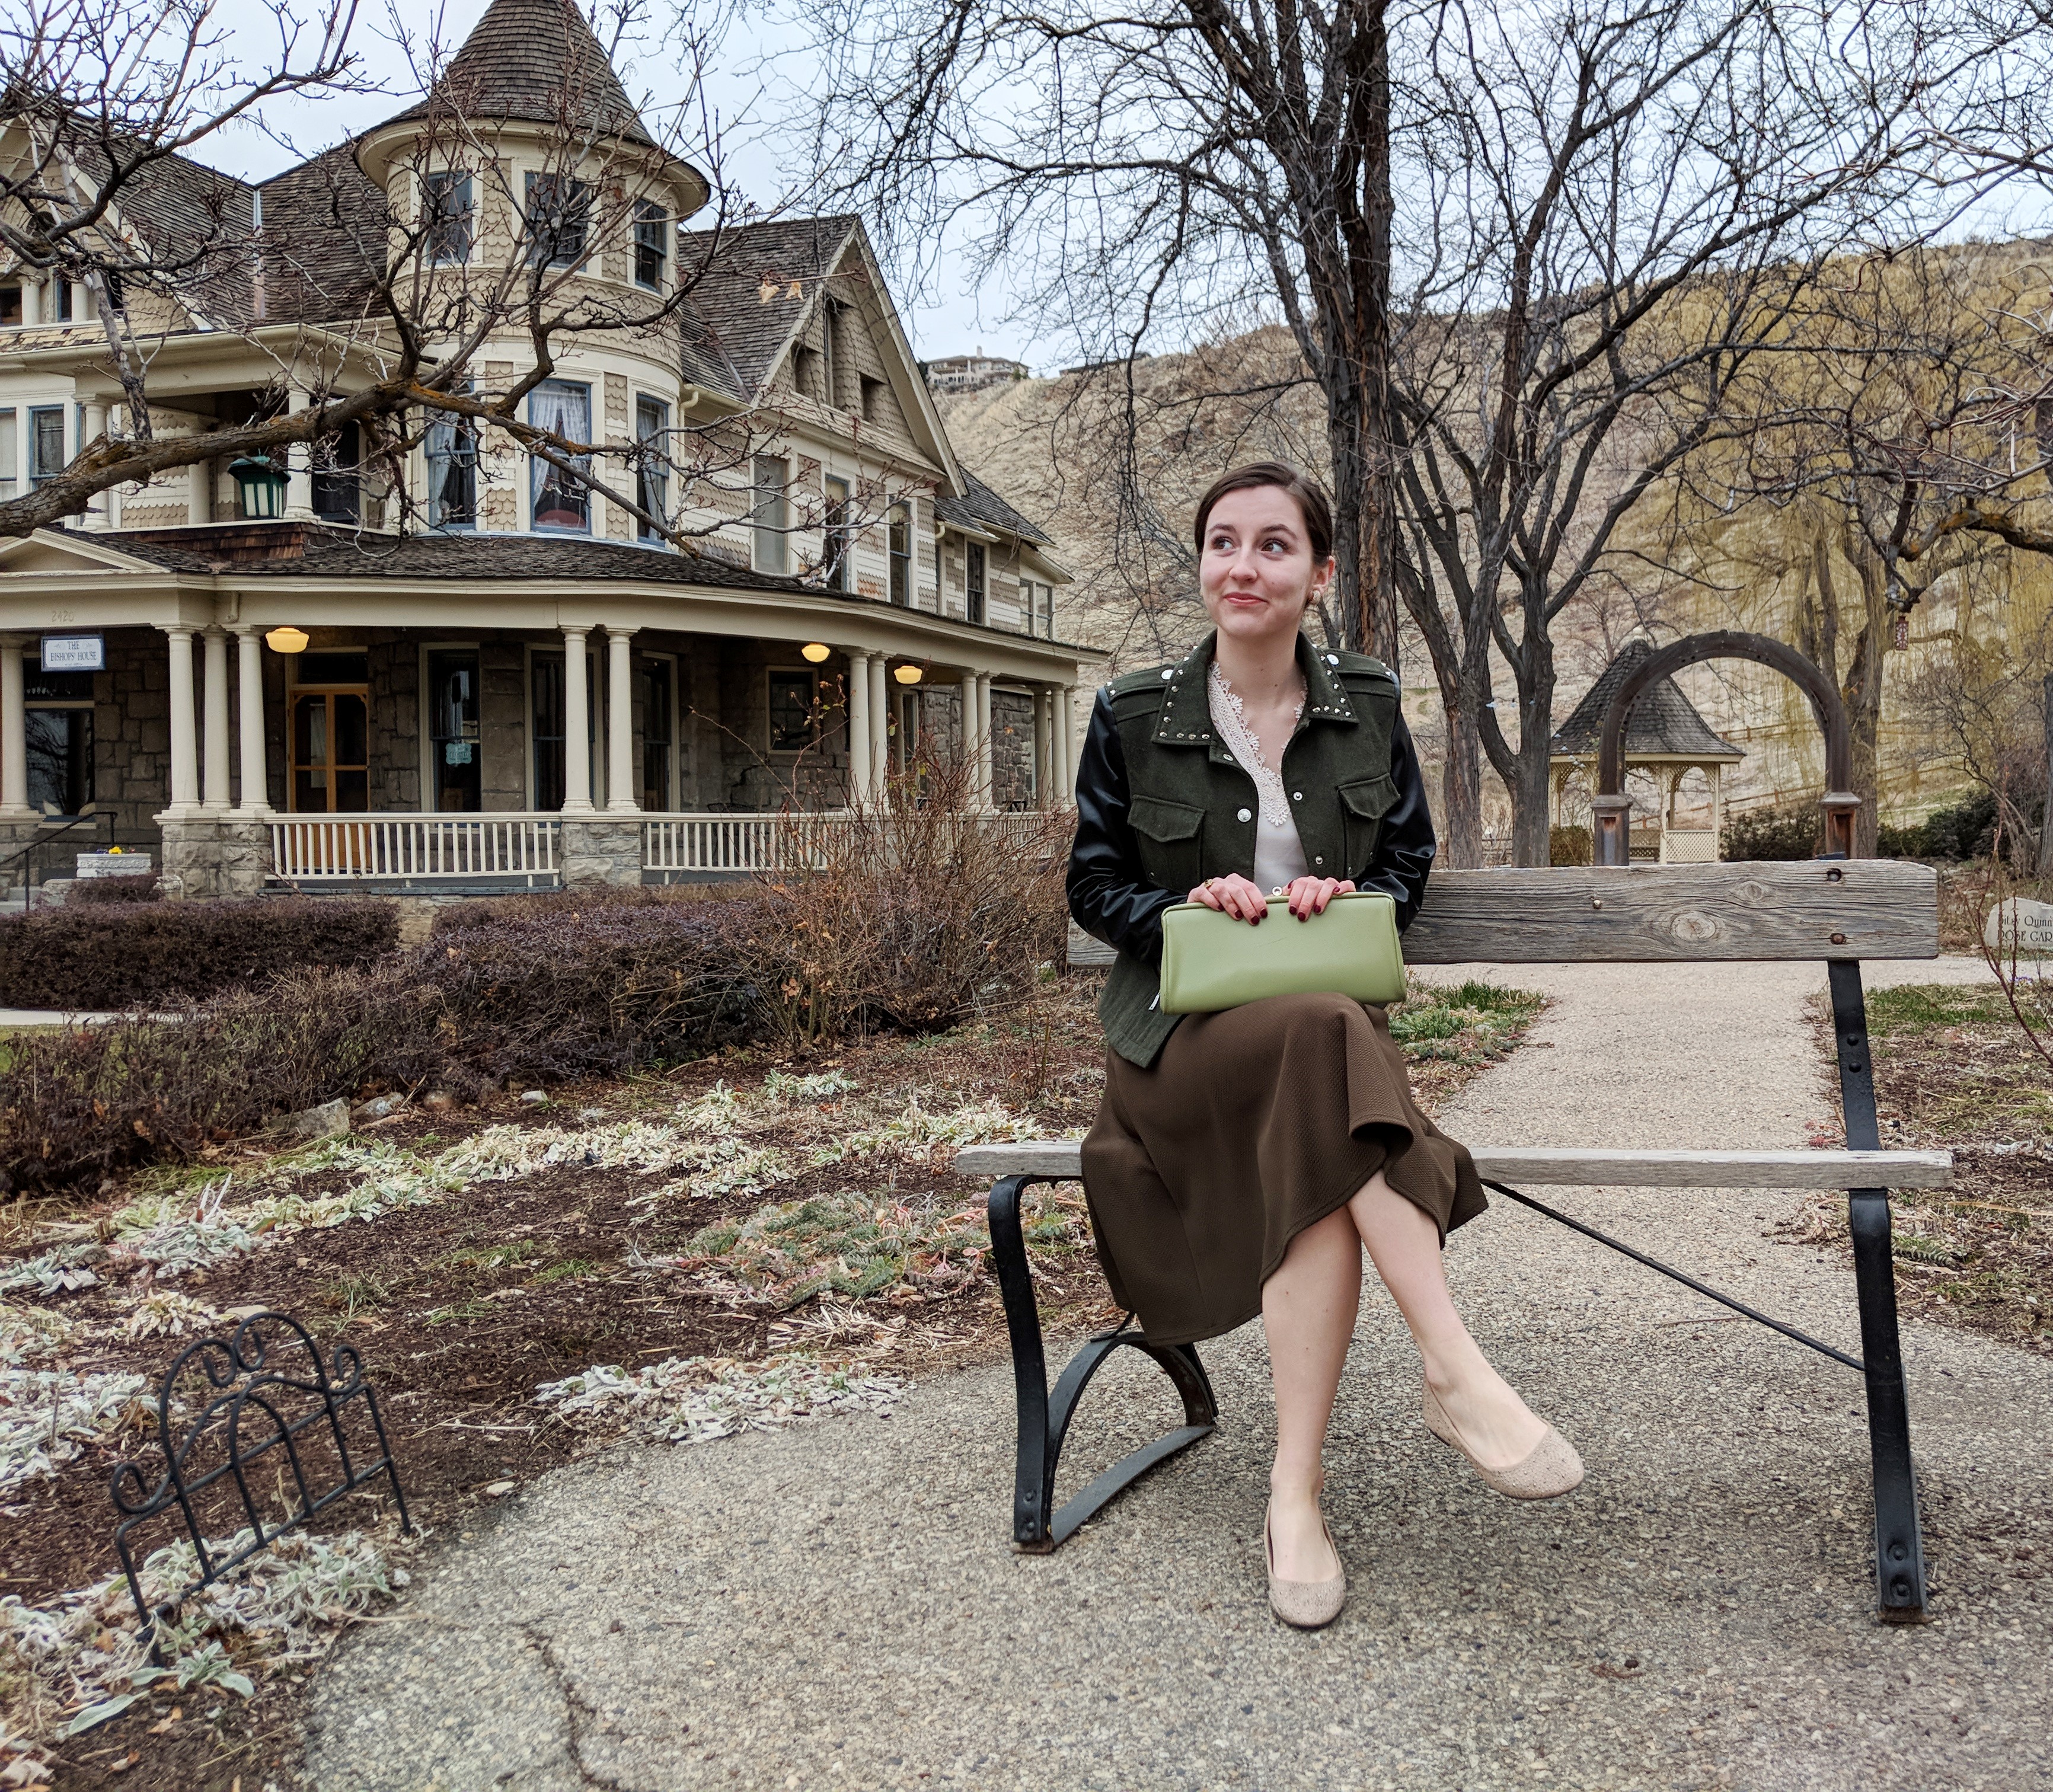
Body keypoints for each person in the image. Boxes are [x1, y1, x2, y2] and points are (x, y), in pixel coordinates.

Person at [1067, 461, 1582, 1630]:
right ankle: (1454, 1369)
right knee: (1329, 1045)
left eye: (1273, 546)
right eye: (1223, 543)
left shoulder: (1365, 701)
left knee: (1323, 1081)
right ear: (1202, 564)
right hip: (1178, 1062)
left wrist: (1347, 898)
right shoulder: (1133, 714)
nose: (1243, 567)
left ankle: (1292, 1498)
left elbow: (1405, 863)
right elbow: (1092, 886)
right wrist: (1185, 908)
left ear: (1318, 571)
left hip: (1319, 1064)